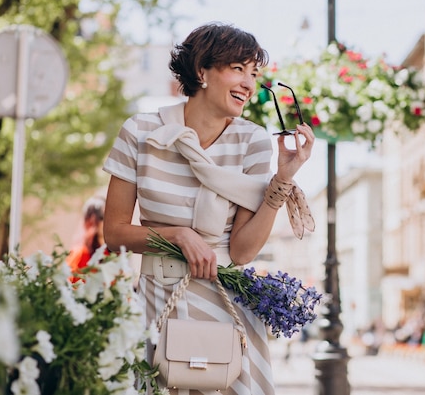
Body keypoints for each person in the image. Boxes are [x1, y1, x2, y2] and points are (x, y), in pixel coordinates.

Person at [102, 22, 315, 395]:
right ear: (202, 71)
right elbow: (115, 232)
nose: (249, 84)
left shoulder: (252, 141)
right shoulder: (141, 132)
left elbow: (242, 251)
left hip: (225, 304)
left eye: (254, 73)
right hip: (158, 302)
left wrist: (283, 178)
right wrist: (179, 235)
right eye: (238, 69)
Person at [65, 195, 106, 273]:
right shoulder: (79, 255)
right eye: (102, 217)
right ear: (91, 220)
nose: (107, 222)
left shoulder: (113, 253)